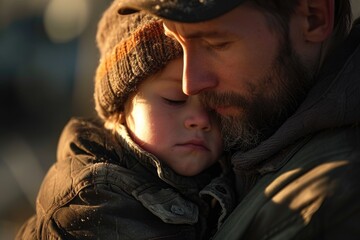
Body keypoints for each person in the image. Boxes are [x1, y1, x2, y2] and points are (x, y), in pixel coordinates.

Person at [116, 0, 360, 239]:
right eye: (177, 42)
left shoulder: (329, 204)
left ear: (313, 17)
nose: (190, 83)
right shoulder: (256, 127)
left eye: (216, 43)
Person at [16, 1, 235, 239]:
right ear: (121, 108)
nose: (201, 120)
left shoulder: (227, 171)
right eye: (174, 100)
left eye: (215, 106)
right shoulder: (96, 197)